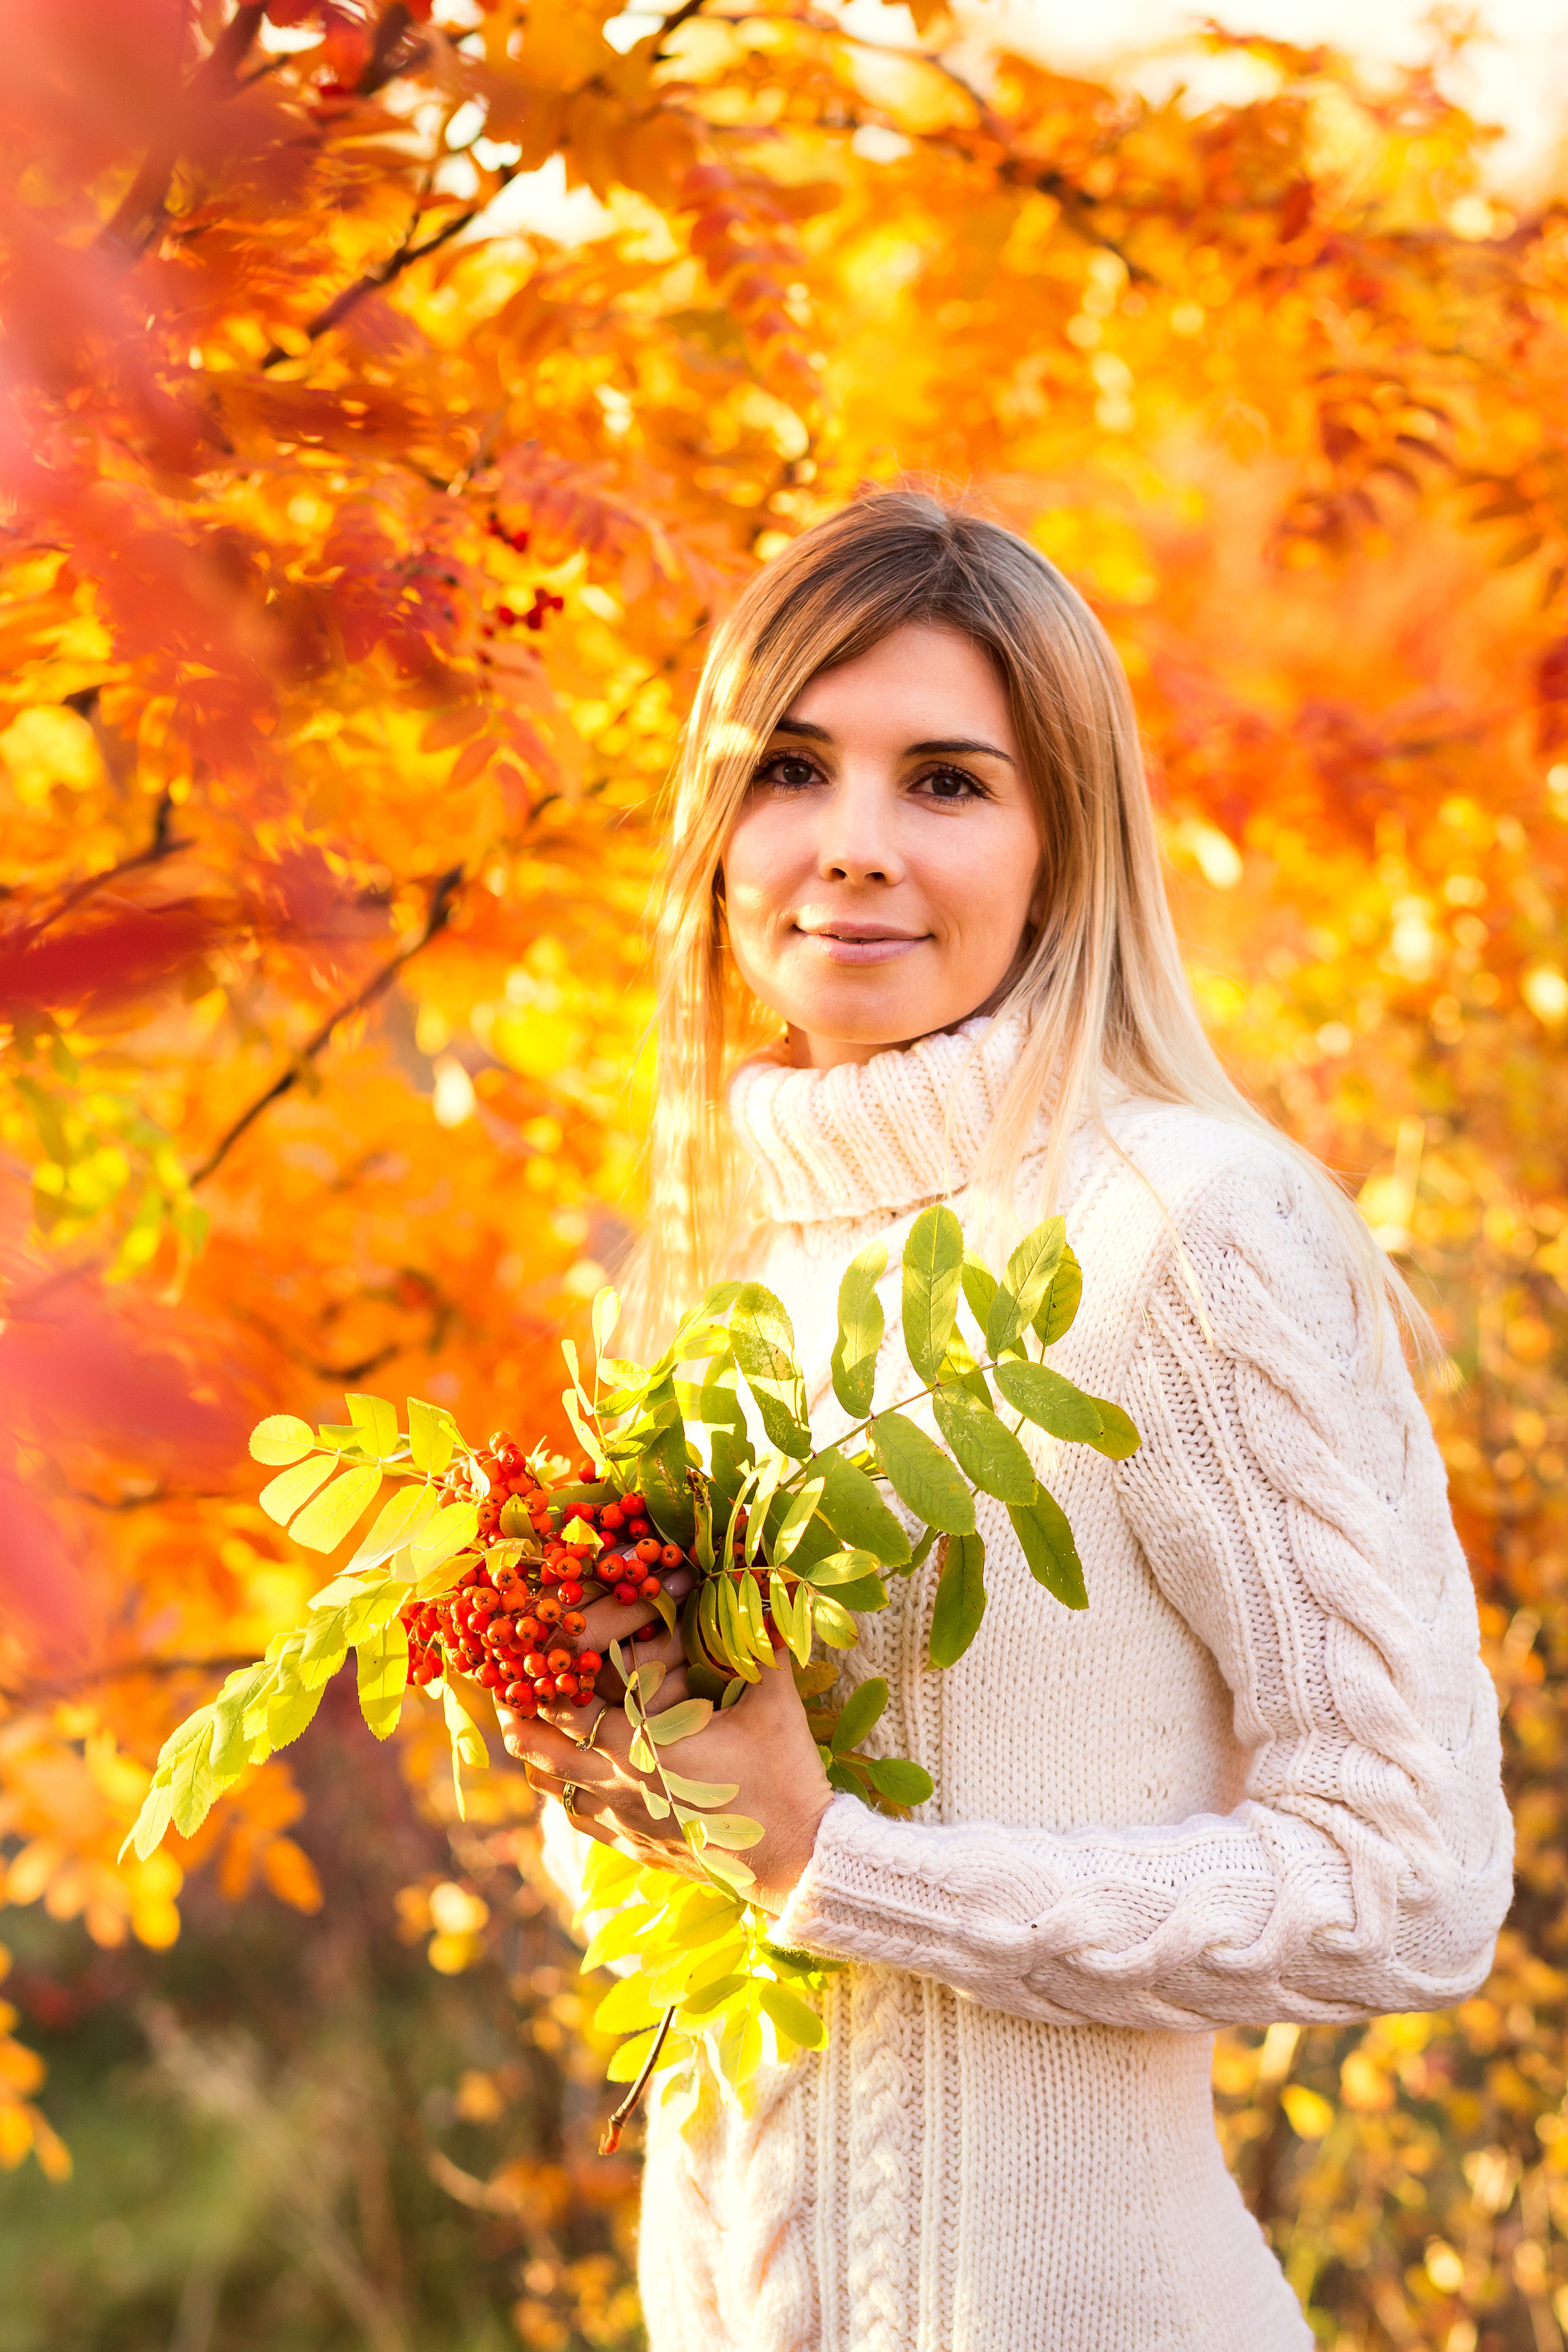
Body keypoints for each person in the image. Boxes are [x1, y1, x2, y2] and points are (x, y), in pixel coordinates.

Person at [498, 490, 1513, 2351]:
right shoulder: (693, 1284)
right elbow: (711, 1906)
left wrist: (842, 1868)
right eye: (792, 766)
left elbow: (1411, 1882)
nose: (855, 847)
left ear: (1064, 843)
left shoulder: (1188, 1231)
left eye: (948, 782)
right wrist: (610, 1783)